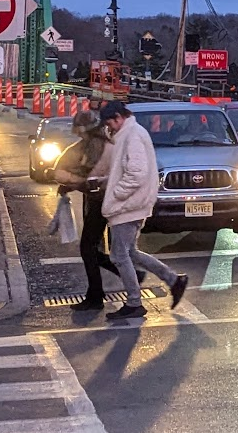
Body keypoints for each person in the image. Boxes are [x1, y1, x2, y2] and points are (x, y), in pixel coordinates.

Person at [99, 101, 188, 320]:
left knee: (120, 255)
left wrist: (116, 193)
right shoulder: (133, 133)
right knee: (130, 253)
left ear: (118, 117)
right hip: (134, 205)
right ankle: (173, 280)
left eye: (110, 122)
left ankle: (134, 302)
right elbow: (133, 171)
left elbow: (135, 174)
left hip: (128, 206)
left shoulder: (131, 136)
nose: (109, 127)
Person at [53, 110, 140, 311]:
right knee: (94, 247)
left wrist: (72, 181)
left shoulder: (94, 147)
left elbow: (88, 174)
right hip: (108, 199)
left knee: (89, 247)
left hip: (101, 200)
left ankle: (97, 295)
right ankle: (100, 290)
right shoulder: (108, 143)